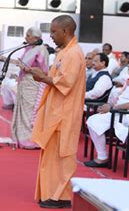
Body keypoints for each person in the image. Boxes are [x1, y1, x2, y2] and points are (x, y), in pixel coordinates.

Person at [23, 15, 85, 209]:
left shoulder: (74, 53)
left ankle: (61, 197)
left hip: (65, 114)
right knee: (50, 157)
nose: (50, 36)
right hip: (56, 111)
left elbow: (66, 82)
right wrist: (40, 76)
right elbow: (54, 78)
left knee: (63, 156)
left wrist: (43, 77)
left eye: (53, 31)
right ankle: (50, 193)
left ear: (65, 31)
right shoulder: (63, 52)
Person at [84, 54, 129, 168]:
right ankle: (102, 156)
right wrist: (110, 105)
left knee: (94, 121)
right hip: (121, 113)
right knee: (93, 120)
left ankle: (102, 158)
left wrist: (111, 108)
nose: (128, 66)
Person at [11, 27, 49, 149]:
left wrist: (28, 69)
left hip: (33, 83)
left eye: (28, 36)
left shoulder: (42, 49)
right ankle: (21, 138)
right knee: (22, 111)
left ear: (36, 38)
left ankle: (31, 140)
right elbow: (22, 64)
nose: (25, 38)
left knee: (30, 111)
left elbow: (44, 71)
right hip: (24, 83)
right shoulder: (27, 49)